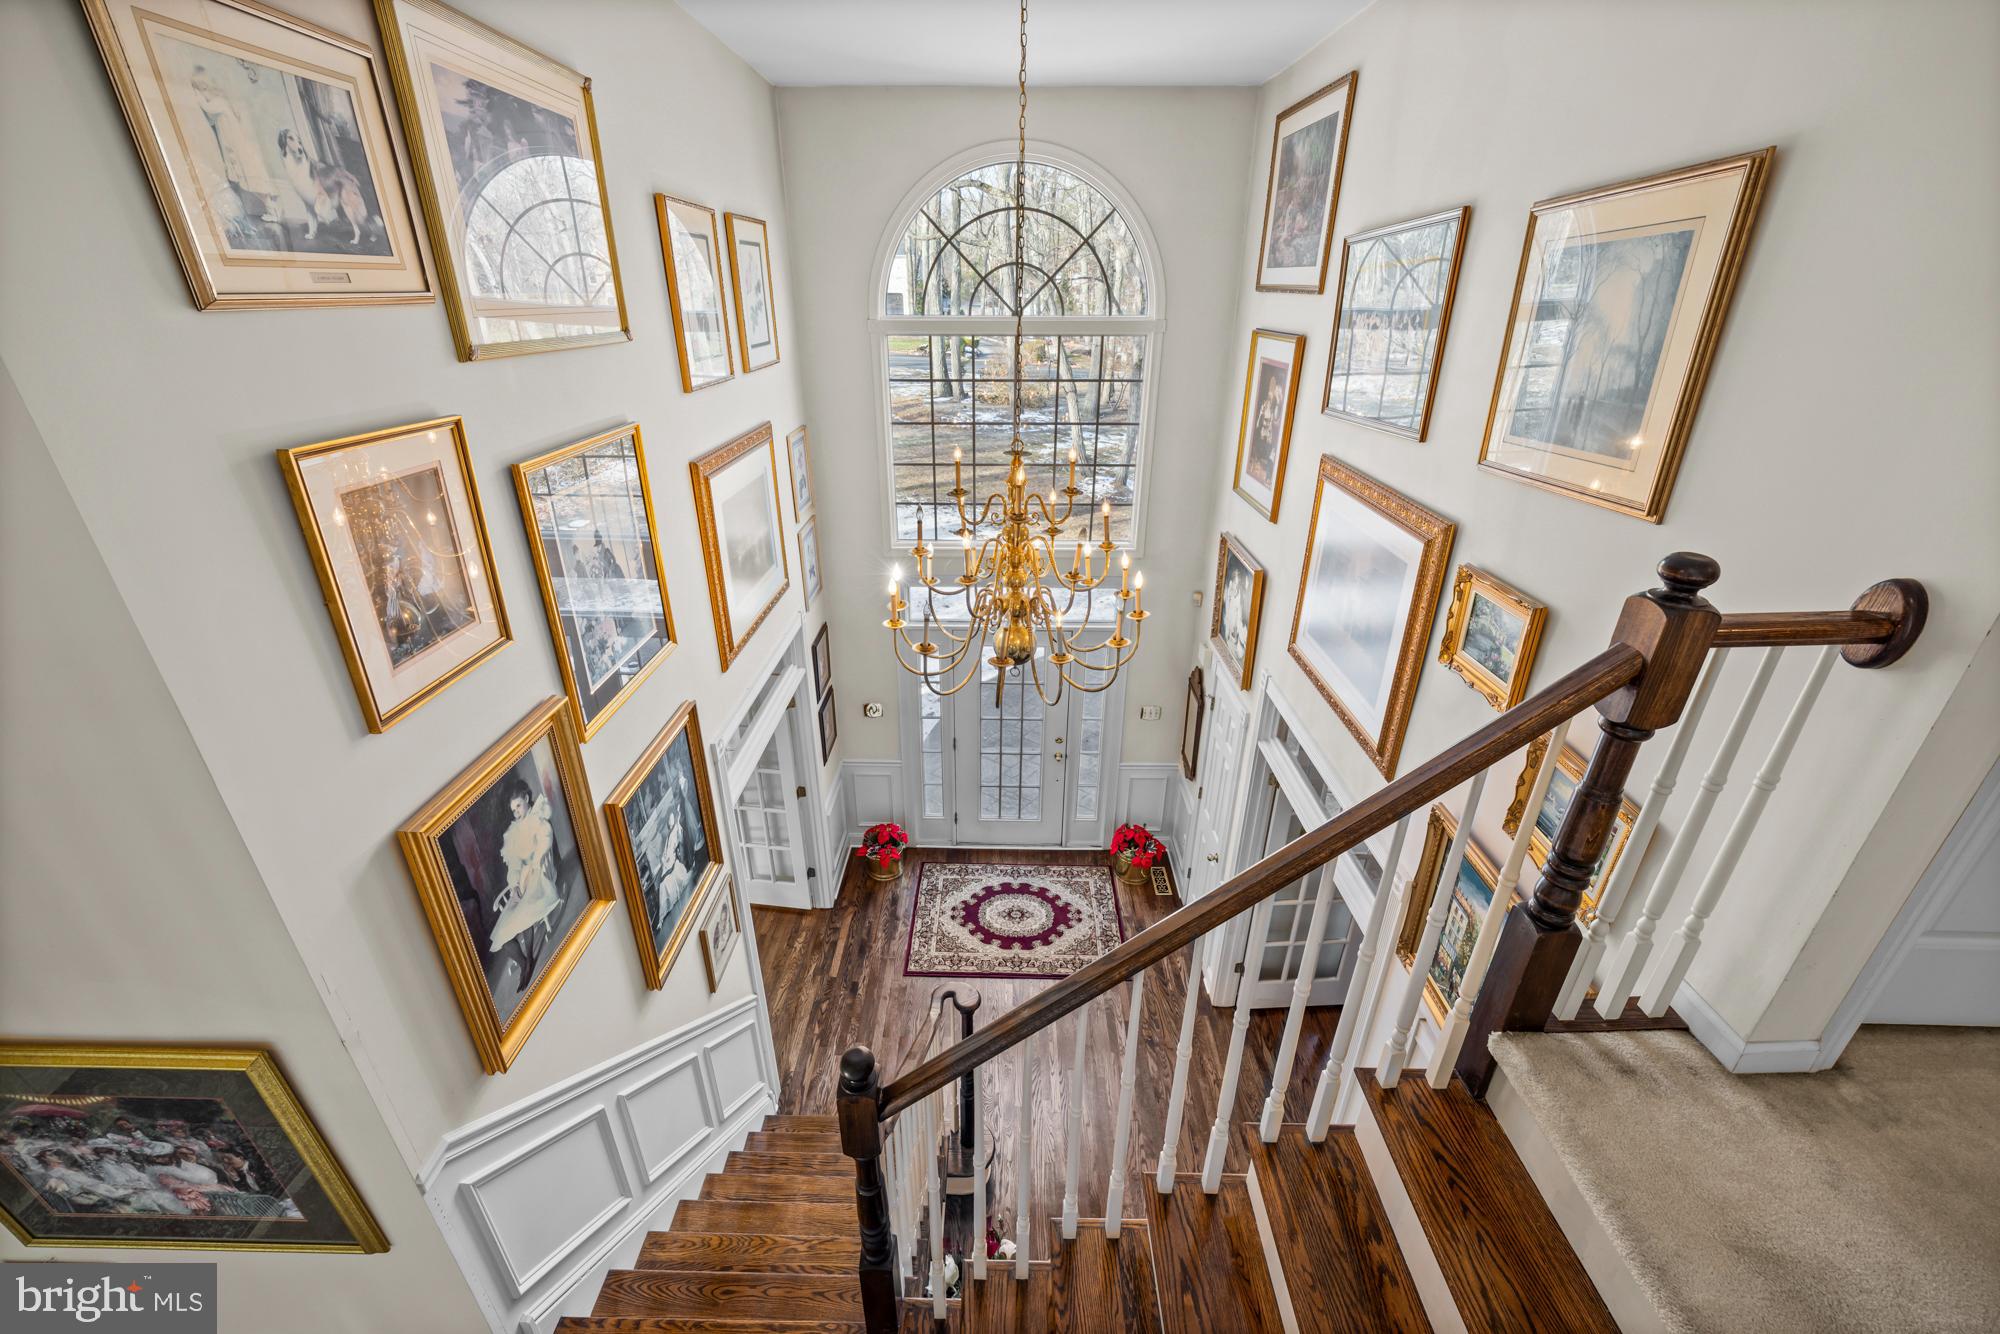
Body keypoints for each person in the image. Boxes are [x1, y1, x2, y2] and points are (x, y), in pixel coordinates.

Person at [490, 774, 560, 990]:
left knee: (524, 914)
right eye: (513, 810)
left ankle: (528, 957)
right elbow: (513, 865)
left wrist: (536, 864)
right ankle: (524, 962)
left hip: (539, 873)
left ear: (527, 799)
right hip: (522, 882)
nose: (517, 812)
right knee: (501, 934)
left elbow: (544, 842)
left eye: (519, 806)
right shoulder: (512, 833)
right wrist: (515, 884)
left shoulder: (536, 820)